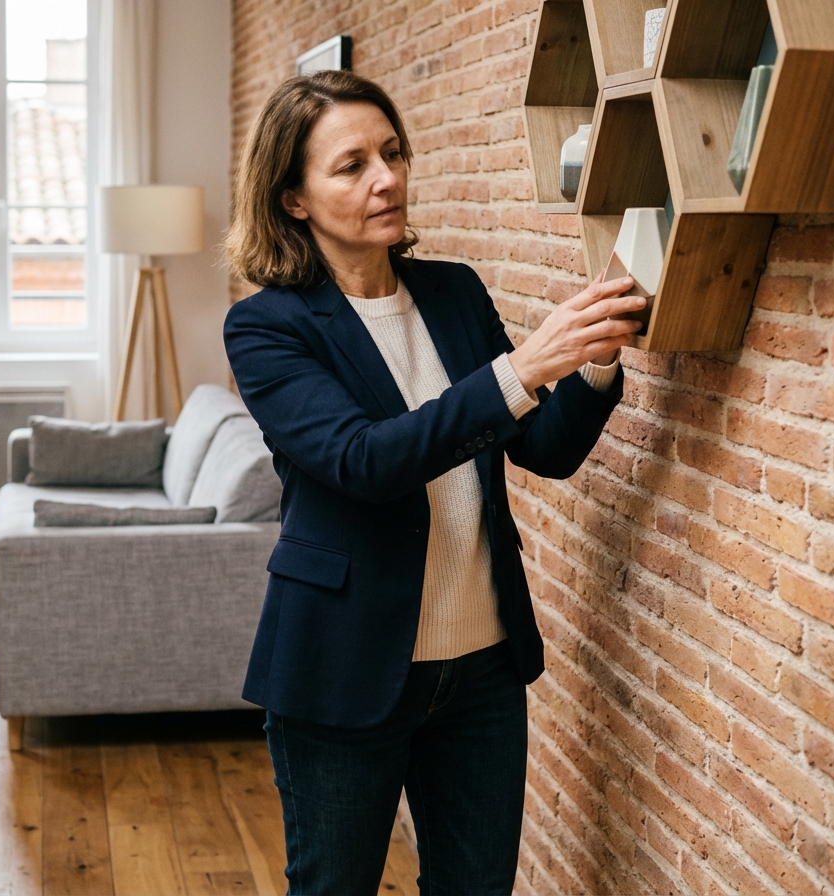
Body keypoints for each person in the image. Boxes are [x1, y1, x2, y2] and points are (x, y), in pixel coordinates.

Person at [223, 70, 645, 895]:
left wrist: (593, 362)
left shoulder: (452, 292)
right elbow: (365, 461)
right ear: (293, 199)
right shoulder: (267, 327)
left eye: (393, 153)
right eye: (352, 166)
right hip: (343, 670)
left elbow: (541, 449)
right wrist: (525, 367)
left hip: (482, 670)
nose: (386, 178)